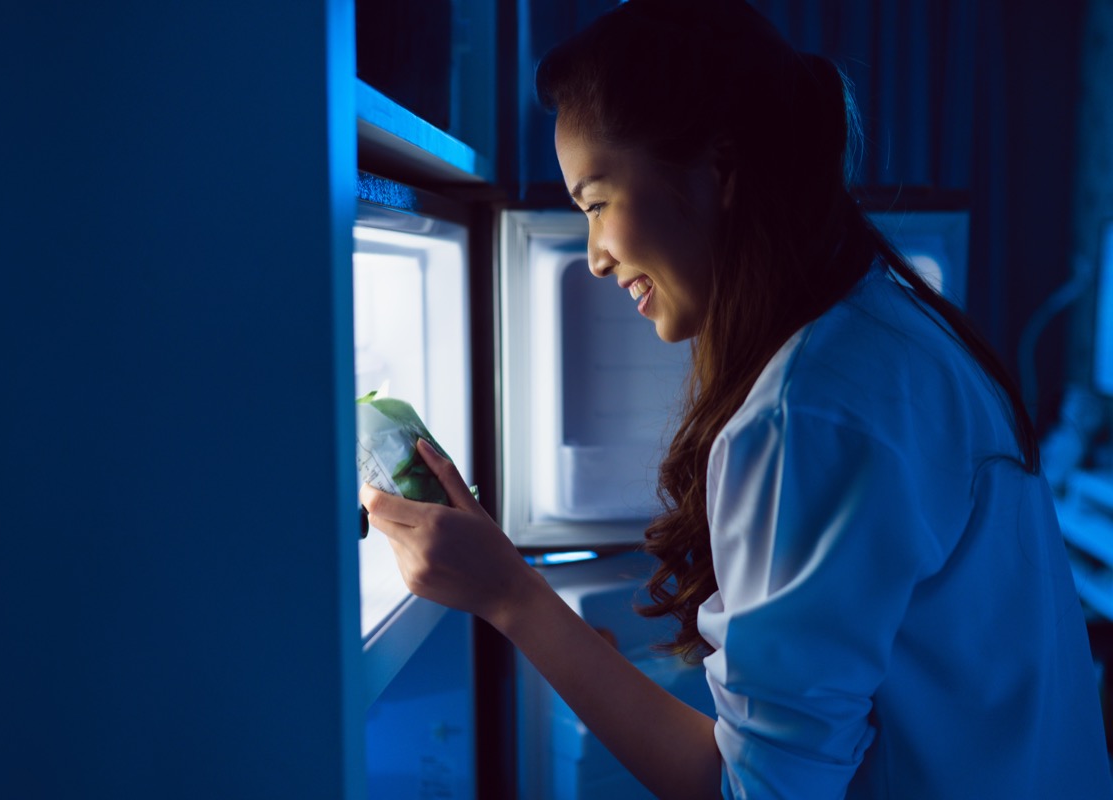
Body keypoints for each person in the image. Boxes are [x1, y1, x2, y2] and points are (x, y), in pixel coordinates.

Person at [360, 0, 1113, 797]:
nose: (593, 258)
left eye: (595, 203)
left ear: (717, 171)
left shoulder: (809, 414)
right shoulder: (889, 331)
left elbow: (755, 793)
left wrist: (510, 594)